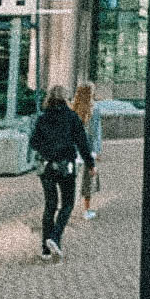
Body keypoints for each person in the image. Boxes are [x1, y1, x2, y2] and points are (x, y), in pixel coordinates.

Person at [29, 84, 95, 261]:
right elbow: (82, 142)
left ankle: (45, 249)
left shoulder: (42, 118)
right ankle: (55, 237)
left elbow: (34, 142)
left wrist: (48, 150)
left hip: (46, 167)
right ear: (66, 98)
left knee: (50, 205)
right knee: (67, 203)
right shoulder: (72, 117)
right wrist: (90, 164)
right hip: (66, 166)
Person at [71, 82, 102, 219]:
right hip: (87, 152)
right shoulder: (94, 110)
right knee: (87, 183)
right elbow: (96, 134)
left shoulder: (72, 109)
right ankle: (86, 210)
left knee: (69, 180)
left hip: (72, 151)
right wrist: (96, 151)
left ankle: (66, 208)